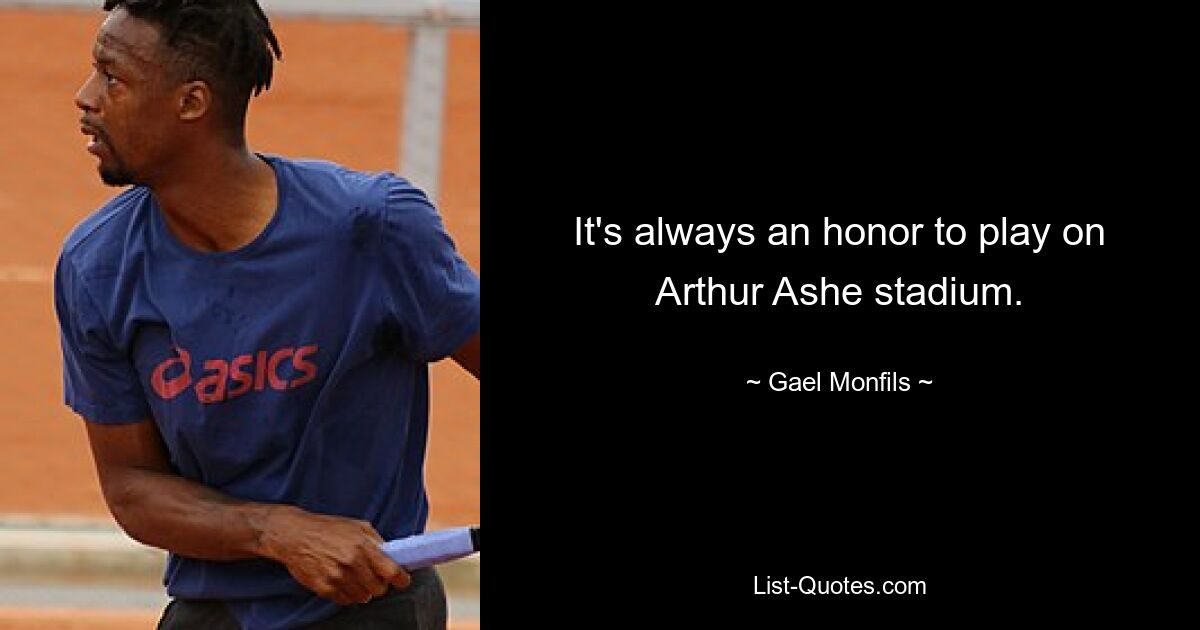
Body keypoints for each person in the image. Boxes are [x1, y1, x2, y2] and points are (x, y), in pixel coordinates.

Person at [53, 1, 479, 628]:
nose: (86, 98)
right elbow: (132, 488)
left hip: (376, 610)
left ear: (192, 103)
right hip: (213, 613)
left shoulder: (374, 229)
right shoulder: (98, 268)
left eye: (112, 78)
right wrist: (276, 531)